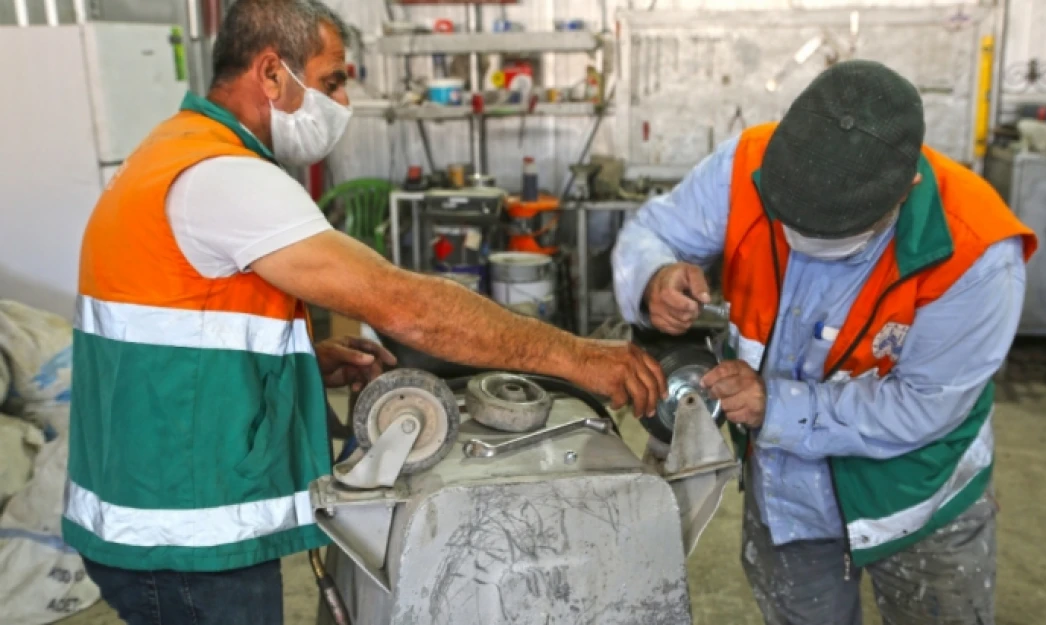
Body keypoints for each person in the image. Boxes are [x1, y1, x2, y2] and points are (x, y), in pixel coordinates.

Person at [63, 1, 665, 623]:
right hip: (182, 536)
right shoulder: (222, 177)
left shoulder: (175, 150)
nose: (343, 103)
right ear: (271, 73)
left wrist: (297, 362)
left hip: (157, 503)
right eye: (331, 81)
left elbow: (184, 328)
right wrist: (579, 358)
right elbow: (406, 307)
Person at [612, 60, 1037, 624]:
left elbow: (922, 406)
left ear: (905, 185)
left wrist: (776, 404)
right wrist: (653, 276)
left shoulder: (977, 252)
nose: (803, 241)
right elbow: (653, 231)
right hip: (787, 501)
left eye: (834, 228)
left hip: (918, 503)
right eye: (793, 218)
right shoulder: (748, 162)